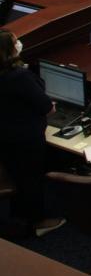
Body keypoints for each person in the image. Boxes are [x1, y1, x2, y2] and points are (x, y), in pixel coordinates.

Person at [0, 31, 64, 237]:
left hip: (6, 136)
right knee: (31, 179)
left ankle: (19, 214)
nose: (19, 43)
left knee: (19, 176)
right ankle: (39, 222)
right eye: (15, 42)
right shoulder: (20, 77)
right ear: (8, 51)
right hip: (26, 139)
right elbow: (48, 108)